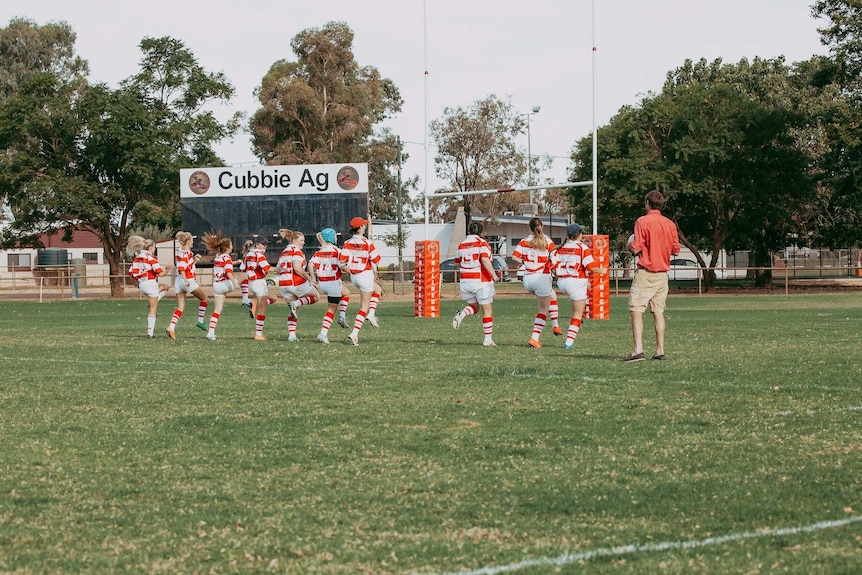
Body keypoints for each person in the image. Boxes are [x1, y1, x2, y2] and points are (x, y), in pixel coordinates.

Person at [625, 190, 680, 362]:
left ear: (647, 203)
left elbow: (636, 248)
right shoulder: (670, 224)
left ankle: (638, 350)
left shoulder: (642, 221)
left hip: (646, 273)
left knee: (636, 309)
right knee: (658, 312)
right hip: (663, 275)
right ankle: (660, 350)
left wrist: (629, 245)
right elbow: (676, 250)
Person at [555, 223, 608, 349]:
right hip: (575, 282)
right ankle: (569, 343)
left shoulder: (561, 247)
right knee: (577, 314)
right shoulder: (582, 247)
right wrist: (603, 271)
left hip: (562, 282)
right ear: (578, 234)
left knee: (577, 310)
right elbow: (591, 267)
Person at [511, 217, 562, 348]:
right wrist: (555, 270)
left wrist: (524, 262)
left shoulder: (523, 242)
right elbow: (555, 260)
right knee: (542, 310)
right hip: (541, 278)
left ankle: (556, 326)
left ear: (530, 228)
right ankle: (534, 338)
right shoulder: (548, 241)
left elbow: (514, 257)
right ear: (542, 227)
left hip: (528, 279)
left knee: (553, 295)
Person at [451, 221, 499, 347]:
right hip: (480, 280)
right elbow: (484, 259)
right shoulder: (482, 243)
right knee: (487, 311)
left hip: (465, 281)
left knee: (474, 307)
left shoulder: (462, 245)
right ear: (480, 232)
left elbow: (456, 262)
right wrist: (494, 275)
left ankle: (462, 314)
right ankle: (488, 340)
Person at [339, 216, 383, 346]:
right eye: (364, 225)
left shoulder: (347, 243)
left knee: (378, 289)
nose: (365, 226)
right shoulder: (367, 242)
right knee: (364, 306)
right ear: (361, 228)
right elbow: (377, 260)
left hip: (355, 277)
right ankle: (354, 334)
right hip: (365, 274)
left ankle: (372, 314)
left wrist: (351, 269)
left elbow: (342, 262)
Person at [276, 228, 320, 342]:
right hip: (294, 282)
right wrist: (310, 279)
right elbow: (297, 268)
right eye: (301, 240)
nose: (303, 242)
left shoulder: (283, 252)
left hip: (283, 284)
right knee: (316, 297)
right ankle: (295, 303)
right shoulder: (296, 251)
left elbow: (278, 269)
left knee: (294, 310)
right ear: (294, 240)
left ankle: (292, 335)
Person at [309, 228, 351, 344]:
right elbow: (342, 266)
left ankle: (342, 316)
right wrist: (354, 271)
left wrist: (313, 278)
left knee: (346, 292)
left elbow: (310, 264)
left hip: (323, 283)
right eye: (335, 236)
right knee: (331, 310)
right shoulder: (337, 251)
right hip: (333, 282)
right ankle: (323, 333)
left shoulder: (319, 252)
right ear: (332, 237)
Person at [165, 231, 209, 340]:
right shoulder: (186, 253)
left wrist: (194, 260)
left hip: (178, 281)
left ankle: (171, 327)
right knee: (204, 298)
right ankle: (200, 321)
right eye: (192, 240)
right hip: (187, 280)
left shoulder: (180, 252)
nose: (193, 242)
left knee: (180, 307)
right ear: (188, 241)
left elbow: (185, 264)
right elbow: (182, 268)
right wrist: (186, 280)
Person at [126, 235, 169, 338]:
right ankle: (150, 334)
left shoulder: (137, 258)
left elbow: (130, 273)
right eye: (154, 247)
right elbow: (161, 274)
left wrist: (136, 284)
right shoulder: (151, 258)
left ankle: (155, 300)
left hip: (142, 285)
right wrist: (168, 269)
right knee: (153, 310)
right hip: (150, 283)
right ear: (151, 247)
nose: (154, 250)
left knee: (165, 287)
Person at [201, 230, 238, 341]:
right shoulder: (227, 258)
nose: (232, 246)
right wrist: (235, 283)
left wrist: (236, 262)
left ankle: (210, 333)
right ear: (227, 247)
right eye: (231, 244)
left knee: (217, 310)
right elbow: (228, 272)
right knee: (244, 276)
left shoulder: (218, 256)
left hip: (216, 286)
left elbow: (224, 265)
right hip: (224, 283)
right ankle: (246, 300)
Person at [244, 234, 273, 341]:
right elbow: (268, 268)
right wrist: (284, 269)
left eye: (266, 244)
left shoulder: (248, 254)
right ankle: (258, 334)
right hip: (258, 282)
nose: (265, 246)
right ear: (257, 245)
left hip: (252, 282)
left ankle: (254, 305)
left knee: (273, 298)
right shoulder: (259, 254)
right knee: (262, 310)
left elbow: (243, 267)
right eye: (263, 244)